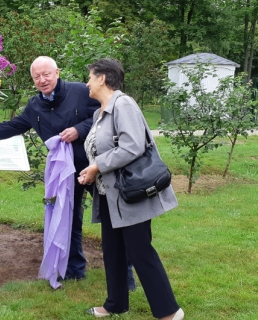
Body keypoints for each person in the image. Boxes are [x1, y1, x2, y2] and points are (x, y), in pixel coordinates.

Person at [0, 55, 98, 281]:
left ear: (57, 72)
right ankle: (74, 271)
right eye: (36, 76)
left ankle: (125, 273)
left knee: (111, 217)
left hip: (94, 167)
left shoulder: (80, 92)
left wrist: (79, 129)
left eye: (46, 74)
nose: (42, 80)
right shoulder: (35, 105)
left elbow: (102, 116)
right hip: (63, 174)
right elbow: (11, 126)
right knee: (67, 219)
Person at [78, 59, 184, 320]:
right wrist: (92, 170)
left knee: (140, 251)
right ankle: (115, 303)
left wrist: (97, 167)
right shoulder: (99, 112)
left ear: (102, 78)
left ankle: (170, 311)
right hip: (108, 195)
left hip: (130, 194)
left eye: (89, 77)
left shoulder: (123, 104)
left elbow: (132, 146)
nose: (87, 83)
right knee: (113, 251)